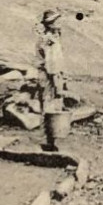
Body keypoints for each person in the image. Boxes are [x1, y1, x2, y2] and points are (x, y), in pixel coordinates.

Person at [38, 10, 69, 150]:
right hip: (50, 76)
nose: (59, 24)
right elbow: (50, 62)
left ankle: (53, 139)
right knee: (50, 105)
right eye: (56, 22)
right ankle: (50, 140)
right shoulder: (48, 40)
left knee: (56, 104)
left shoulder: (54, 37)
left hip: (56, 74)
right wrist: (56, 80)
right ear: (50, 24)